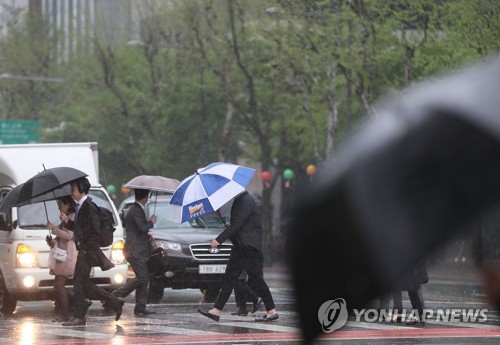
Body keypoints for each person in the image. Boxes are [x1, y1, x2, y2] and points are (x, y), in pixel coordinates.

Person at [197, 191, 279, 322]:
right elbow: (240, 224)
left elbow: (237, 225)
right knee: (230, 278)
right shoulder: (241, 200)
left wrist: (219, 239)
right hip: (241, 246)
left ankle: (271, 311)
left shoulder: (245, 200)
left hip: (247, 246)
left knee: (255, 278)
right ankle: (216, 310)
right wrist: (229, 228)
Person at [62, 177, 124, 326]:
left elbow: (95, 231)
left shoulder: (88, 206)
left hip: (87, 250)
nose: (71, 192)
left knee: (79, 282)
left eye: (74, 189)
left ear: (82, 189)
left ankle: (80, 315)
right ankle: (112, 302)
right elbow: (81, 229)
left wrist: (87, 248)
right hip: (85, 249)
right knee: (83, 283)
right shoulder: (81, 206)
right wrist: (67, 222)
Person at [112, 188, 157, 316]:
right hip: (135, 250)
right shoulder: (136, 210)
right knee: (142, 277)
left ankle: (140, 307)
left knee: (144, 278)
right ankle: (115, 295)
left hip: (138, 250)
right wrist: (151, 222)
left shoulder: (136, 210)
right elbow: (141, 228)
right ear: (145, 197)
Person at [46, 196, 78, 322]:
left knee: (59, 285)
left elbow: (69, 236)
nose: (58, 207)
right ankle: (78, 302)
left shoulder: (72, 218)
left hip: (68, 256)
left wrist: (53, 229)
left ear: (68, 205)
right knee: (58, 285)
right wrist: (52, 241)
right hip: (62, 255)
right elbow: (61, 238)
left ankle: (66, 313)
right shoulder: (65, 218)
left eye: (60, 204)